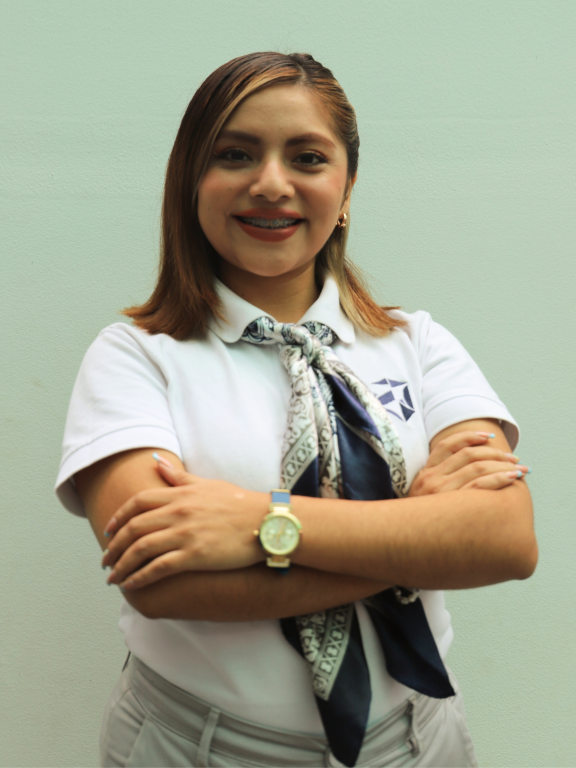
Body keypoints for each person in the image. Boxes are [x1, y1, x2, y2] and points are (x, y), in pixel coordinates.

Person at [55, 52, 537, 768]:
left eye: (307, 157)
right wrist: (420, 533)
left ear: (346, 190)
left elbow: (507, 541)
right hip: (202, 747)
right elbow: (165, 581)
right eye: (235, 154)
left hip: (420, 741)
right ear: (191, 181)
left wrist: (258, 522)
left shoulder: (419, 344)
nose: (271, 183)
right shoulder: (133, 357)